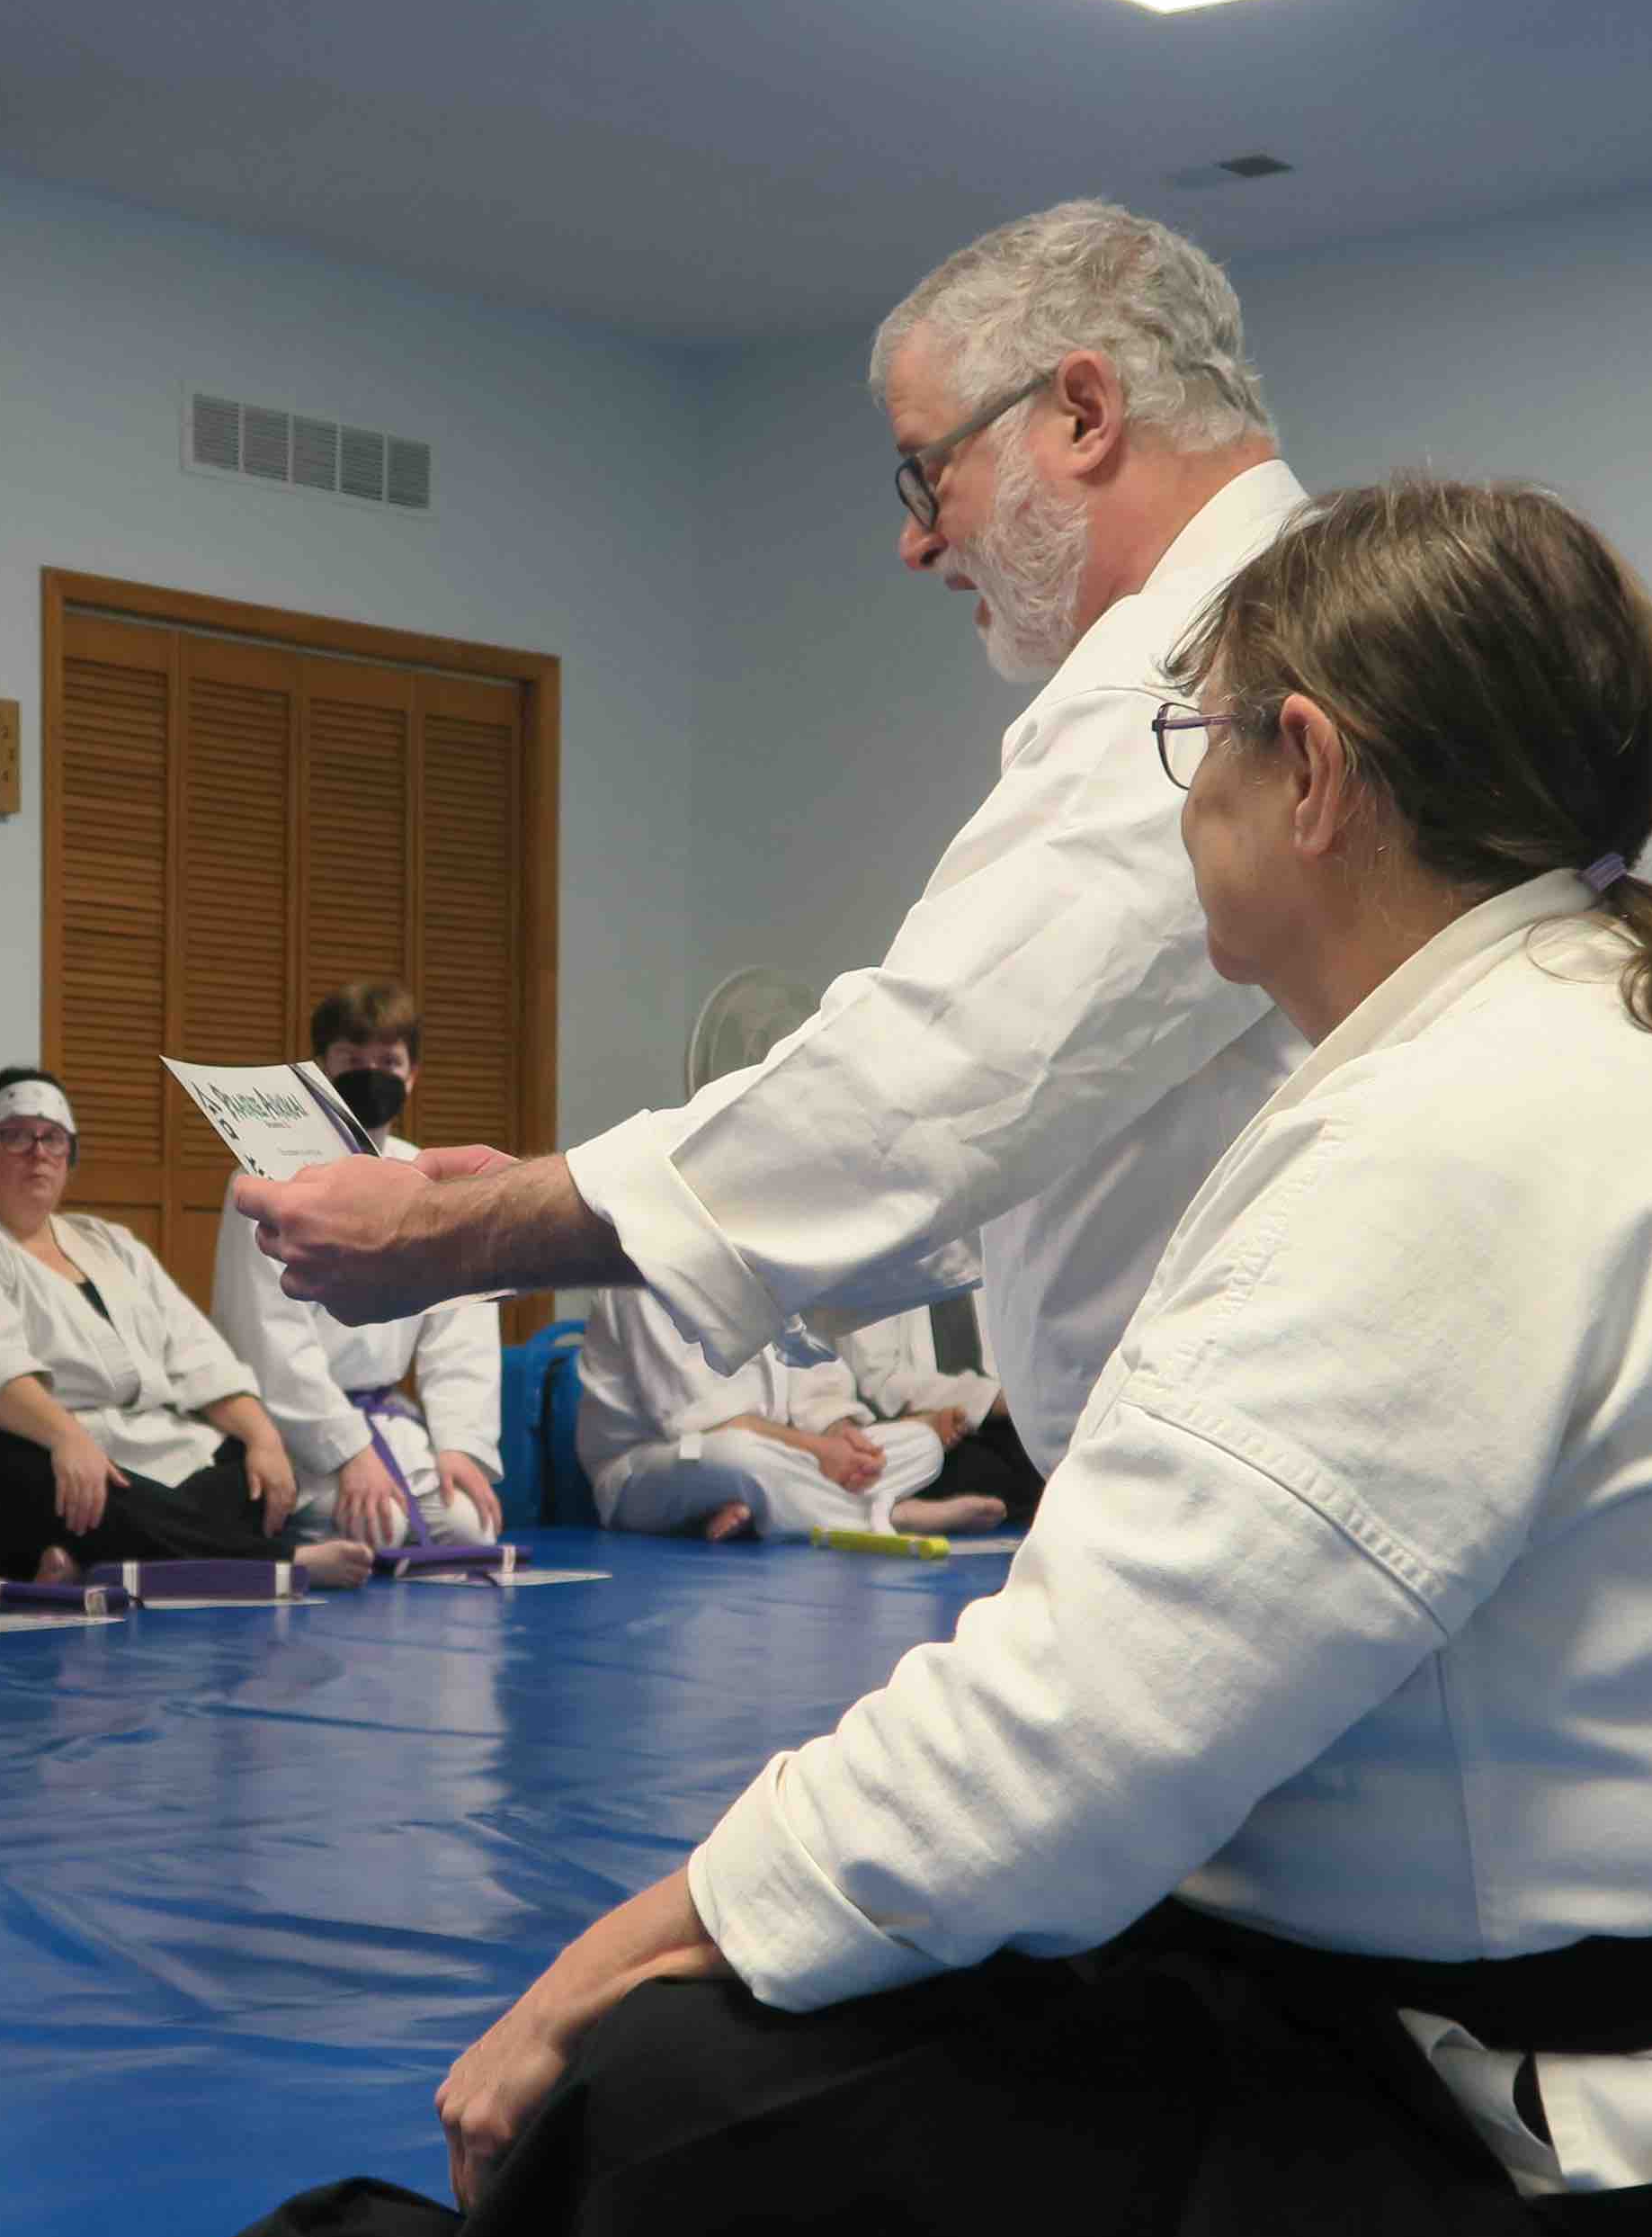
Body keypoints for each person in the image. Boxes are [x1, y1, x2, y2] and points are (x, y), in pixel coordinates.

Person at [215, 477, 1652, 2237]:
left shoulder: (1469, 1133)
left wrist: (610, 1959)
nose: (1183, 801)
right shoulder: (1576, 1050)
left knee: (670, 2108)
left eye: (1200, 742)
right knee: (840, 2018)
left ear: (1314, 772)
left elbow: (1081, 1733)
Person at [232, 198, 1308, 1463]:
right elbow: (1002, 1147)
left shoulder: (1200, 681)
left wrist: (447, 1237)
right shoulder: (1285, 622)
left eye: (929, 469)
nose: (916, 541)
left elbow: (926, 1092)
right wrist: (542, 1195)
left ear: (1082, 413)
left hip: (1253, 1443)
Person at [0, 1069, 359, 1586]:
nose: (37, 1152)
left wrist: (263, 1437)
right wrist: (66, 1437)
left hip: (136, 1438)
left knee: (241, 1471)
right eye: (15, 1135)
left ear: (69, 1159)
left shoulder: (111, 1244)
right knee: (38, 1479)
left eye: (53, 1138)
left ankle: (85, 1560)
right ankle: (274, 1565)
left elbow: (195, 1351)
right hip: (23, 1438)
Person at [204, 978, 505, 1552]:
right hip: (299, 1432)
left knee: (472, 1525)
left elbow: (460, 1331)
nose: (372, 1075)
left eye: (388, 1061)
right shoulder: (272, 1179)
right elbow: (269, 1337)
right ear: (320, 1071)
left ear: (413, 1074)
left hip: (389, 1417)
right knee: (380, 1528)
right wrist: (349, 1454)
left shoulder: (431, 1179)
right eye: (352, 1059)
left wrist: (458, 1445)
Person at [573, 1281, 996, 1544]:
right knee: (735, 1455)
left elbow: (814, 1376)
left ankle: (762, 1511)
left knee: (921, 1444)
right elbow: (709, 1422)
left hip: (782, 1452)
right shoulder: (646, 1277)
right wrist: (820, 1451)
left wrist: (842, 1433)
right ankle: (891, 1515)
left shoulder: (765, 1261)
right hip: (652, 1468)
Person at [833, 1305, 1043, 1527]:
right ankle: (901, 1512)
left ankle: (897, 1509)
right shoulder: (874, 1274)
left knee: (1047, 1456)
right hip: (910, 1423)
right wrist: (991, 1398)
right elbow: (882, 1383)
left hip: (1004, 1415)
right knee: (973, 1468)